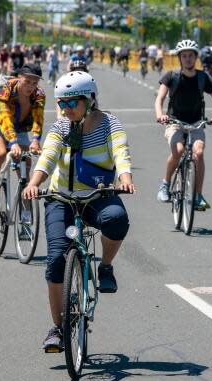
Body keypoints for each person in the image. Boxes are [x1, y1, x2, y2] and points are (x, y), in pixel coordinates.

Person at [21, 71, 135, 352]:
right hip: (61, 197)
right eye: (62, 103)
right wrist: (35, 183)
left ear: (90, 100)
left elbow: (120, 151)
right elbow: (48, 156)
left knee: (116, 220)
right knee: (57, 259)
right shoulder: (61, 128)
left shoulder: (109, 123)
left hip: (97, 195)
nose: (66, 109)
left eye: (72, 102)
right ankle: (58, 329)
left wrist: (125, 177)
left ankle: (105, 267)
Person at [154, 39, 212, 209]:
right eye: (184, 56)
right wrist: (160, 115)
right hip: (174, 122)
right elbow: (159, 99)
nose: (188, 59)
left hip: (196, 122)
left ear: (196, 57)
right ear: (180, 58)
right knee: (178, 151)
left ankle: (198, 195)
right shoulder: (171, 76)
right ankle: (165, 184)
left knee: (198, 153)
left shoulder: (203, 77)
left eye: (191, 56)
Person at [0, 63, 45, 208]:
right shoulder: (3, 90)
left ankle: (25, 214)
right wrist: (13, 142)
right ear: (18, 78)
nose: (30, 86)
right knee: (1, 154)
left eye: (34, 83)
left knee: (25, 162)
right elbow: (4, 118)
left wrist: (36, 140)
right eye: (27, 81)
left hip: (20, 130)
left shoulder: (38, 94)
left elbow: (38, 117)